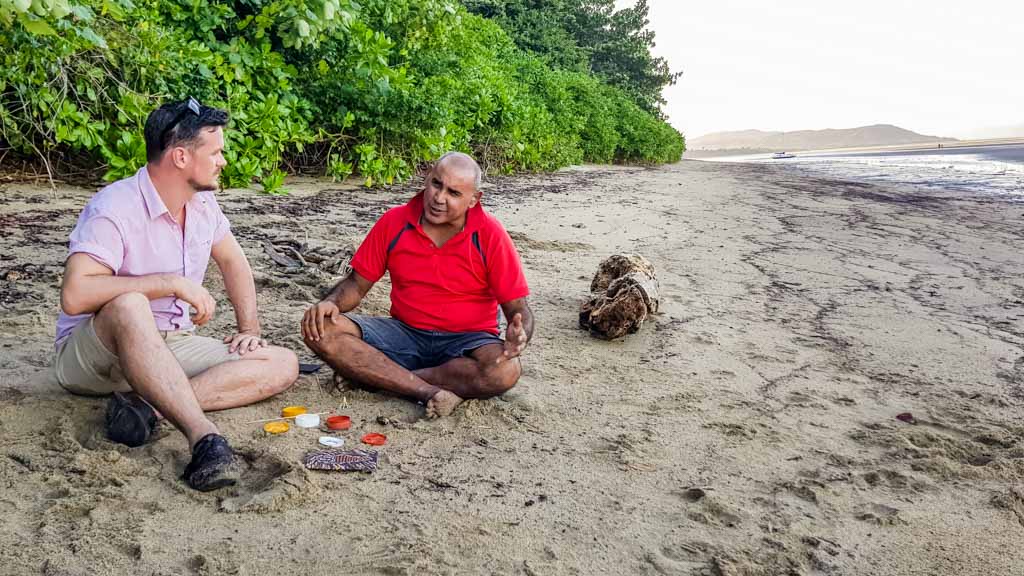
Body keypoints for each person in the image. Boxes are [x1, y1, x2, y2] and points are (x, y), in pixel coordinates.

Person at [52, 98, 299, 491]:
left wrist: (248, 327)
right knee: (131, 304)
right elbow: (75, 294)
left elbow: (234, 262)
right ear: (181, 156)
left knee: (282, 362)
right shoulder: (114, 206)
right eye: (216, 152)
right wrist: (170, 282)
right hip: (95, 357)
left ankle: (148, 407)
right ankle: (204, 437)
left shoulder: (202, 204)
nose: (223, 161)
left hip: (170, 348)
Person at [302, 152, 534, 418]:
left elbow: (518, 307)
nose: (439, 198)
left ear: (474, 200)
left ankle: (381, 380)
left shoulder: (490, 234)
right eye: (436, 184)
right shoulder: (394, 222)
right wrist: (330, 303)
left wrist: (520, 336)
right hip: (405, 334)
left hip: (466, 342)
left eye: (454, 193)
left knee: (506, 370)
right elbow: (356, 284)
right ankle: (426, 391)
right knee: (318, 327)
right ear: (427, 179)